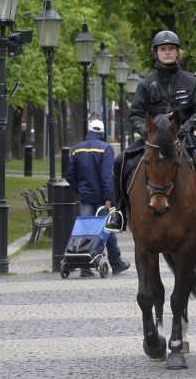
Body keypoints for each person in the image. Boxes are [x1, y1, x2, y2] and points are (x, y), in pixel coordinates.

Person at [111, 30, 196, 232]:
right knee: (120, 162)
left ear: (178, 53)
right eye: (163, 49)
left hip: (183, 137)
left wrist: (188, 126)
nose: (167, 52)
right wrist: (146, 131)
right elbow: (135, 115)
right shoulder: (146, 82)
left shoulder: (191, 81)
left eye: (171, 49)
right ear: (156, 52)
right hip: (153, 140)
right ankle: (119, 212)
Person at [66, 119, 130, 277]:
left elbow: (69, 174)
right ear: (101, 133)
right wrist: (109, 197)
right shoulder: (105, 148)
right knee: (106, 229)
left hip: (85, 197)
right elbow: (107, 176)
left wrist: (78, 189)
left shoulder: (77, 149)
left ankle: (85, 267)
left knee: (85, 231)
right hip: (102, 198)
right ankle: (116, 262)